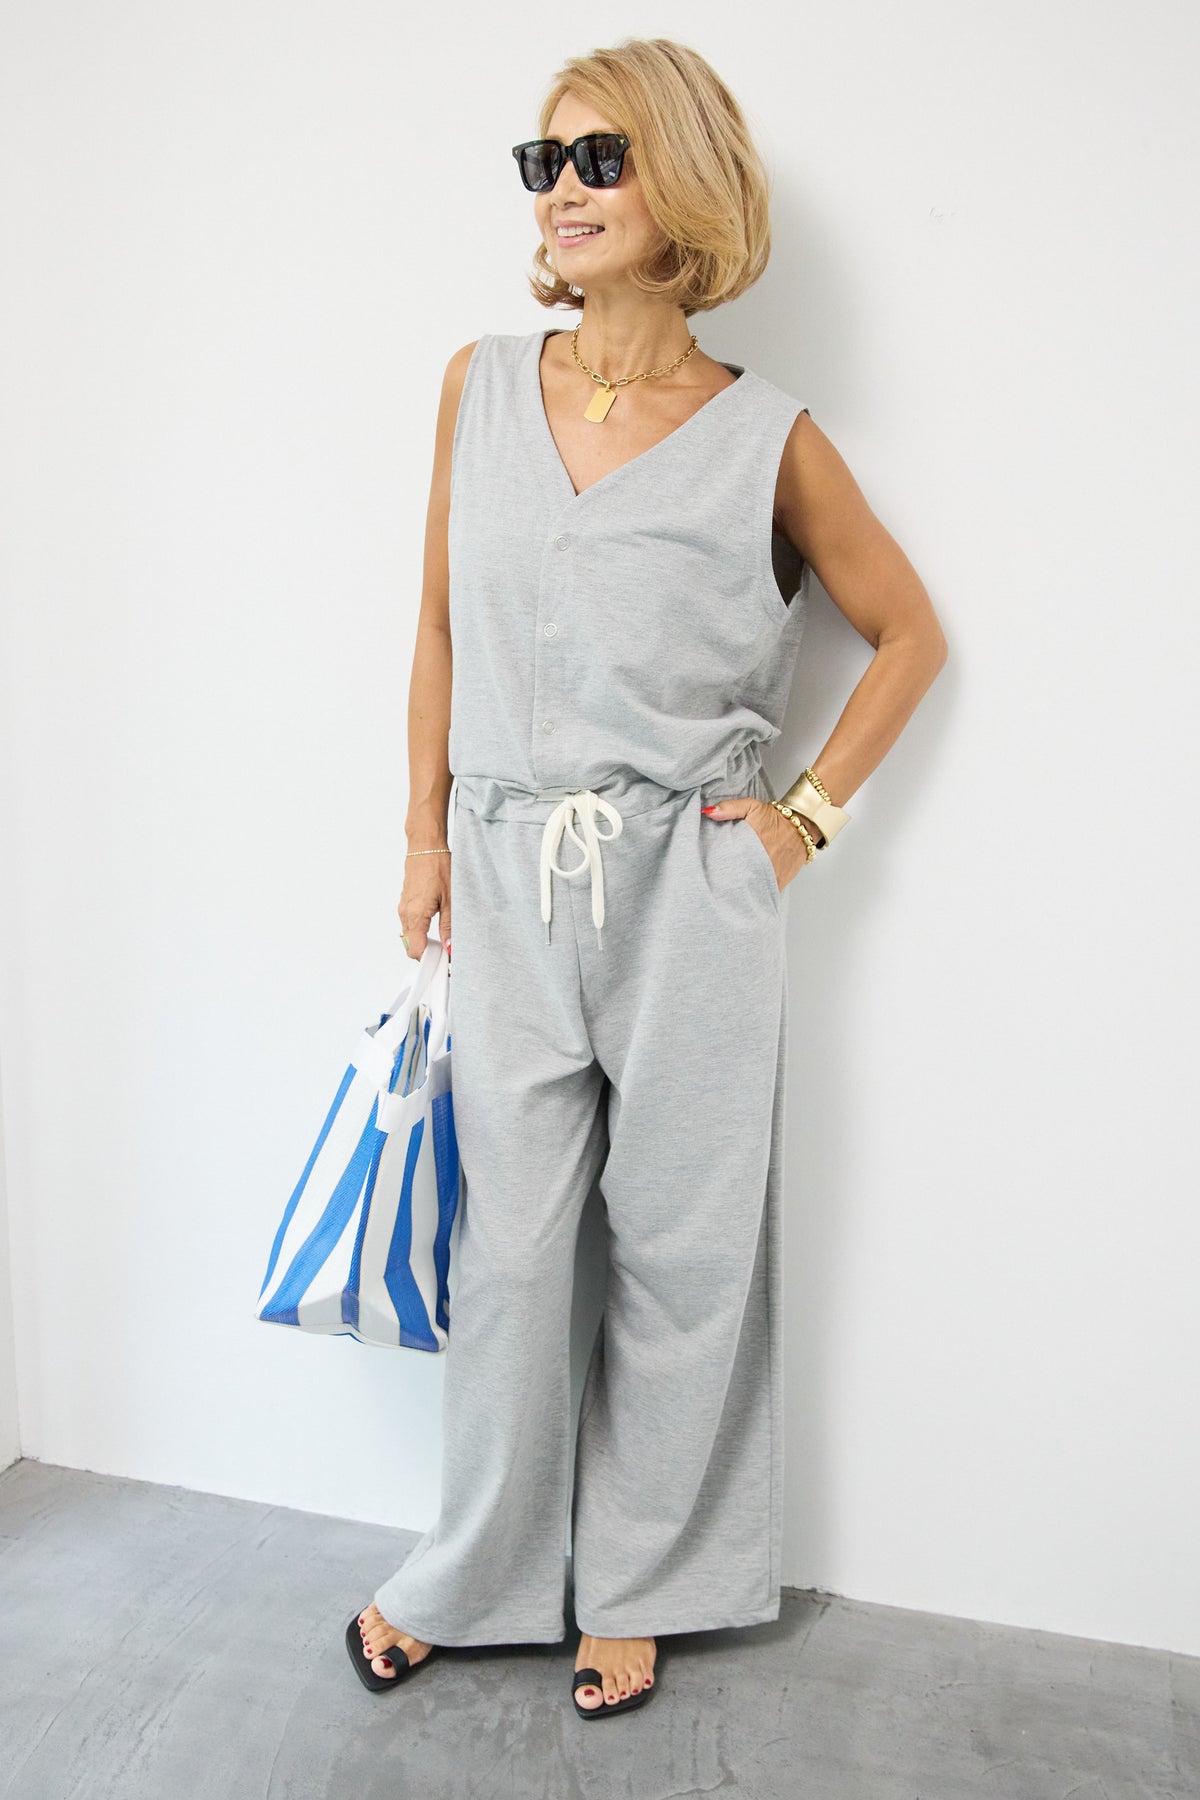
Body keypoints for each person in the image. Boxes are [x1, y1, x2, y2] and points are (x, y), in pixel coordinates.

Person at [349, 35, 948, 1717]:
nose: (564, 191)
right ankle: (473, 1574)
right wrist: (420, 835)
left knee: (684, 1253)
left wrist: (799, 825)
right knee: (510, 1253)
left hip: (692, 883)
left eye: (600, 157)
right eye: (543, 163)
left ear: (681, 178)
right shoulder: (478, 385)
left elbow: (909, 634)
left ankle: (646, 1585)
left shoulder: (767, 437)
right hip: (503, 866)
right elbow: (438, 625)